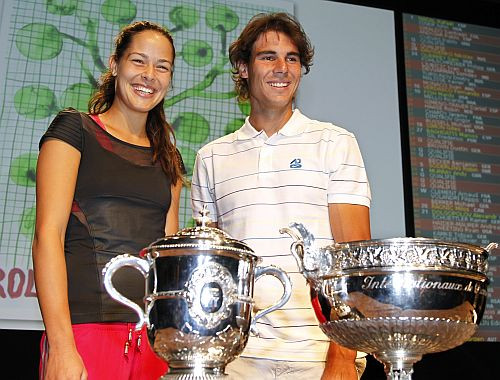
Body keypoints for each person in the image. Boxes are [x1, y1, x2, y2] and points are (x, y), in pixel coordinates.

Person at [191, 12, 371, 380]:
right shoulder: (211, 157)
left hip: (319, 356)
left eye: (292, 58)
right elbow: (209, 270)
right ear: (242, 68)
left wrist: (342, 357)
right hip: (235, 359)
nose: (282, 68)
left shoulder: (335, 142)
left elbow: (354, 259)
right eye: (268, 57)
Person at [32, 21, 184, 380]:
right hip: (84, 337)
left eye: (161, 67)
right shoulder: (75, 130)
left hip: (154, 343)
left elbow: (167, 264)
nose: (149, 75)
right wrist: (62, 346)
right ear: (115, 65)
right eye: (138, 61)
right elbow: (46, 237)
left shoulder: (169, 160)